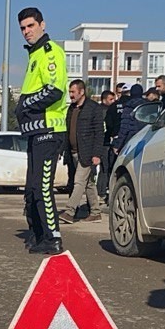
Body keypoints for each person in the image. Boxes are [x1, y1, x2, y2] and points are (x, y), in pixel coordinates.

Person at [15, 6, 70, 254]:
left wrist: (24, 104)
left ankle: (53, 238)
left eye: (31, 26)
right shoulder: (35, 54)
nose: (27, 31)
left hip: (49, 130)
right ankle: (38, 235)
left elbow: (54, 90)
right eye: (23, 28)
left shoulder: (50, 51)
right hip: (35, 132)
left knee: (42, 187)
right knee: (32, 189)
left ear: (42, 25)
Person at [62, 80, 105, 223]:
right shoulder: (71, 108)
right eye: (70, 92)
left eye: (73, 92)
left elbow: (99, 133)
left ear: (81, 92)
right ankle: (95, 212)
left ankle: (69, 211)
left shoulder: (94, 108)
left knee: (79, 181)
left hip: (87, 153)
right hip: (73, 152)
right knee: (89, 183)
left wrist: (97, 154)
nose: (71, 95)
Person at [112, 83, 149, 155]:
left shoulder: (129, 106)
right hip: (146, 137)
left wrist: (118, 145)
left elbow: (124, 128)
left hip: (131, 139)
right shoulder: (147, 105)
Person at [96, 89, 118, 200]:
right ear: (104, 100)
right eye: (111, 99)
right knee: (106, 168)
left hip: (99, 143)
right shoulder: (106, 111)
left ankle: (100, 191)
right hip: (105, 143)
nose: (113, 101)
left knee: (102, 169)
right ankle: (102, 192)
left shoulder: (96, 110)